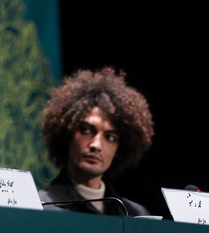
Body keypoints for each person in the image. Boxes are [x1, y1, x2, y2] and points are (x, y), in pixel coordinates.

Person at [39, 67, 154, 216]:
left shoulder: (134, 215)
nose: (96, 145)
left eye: (110, 137)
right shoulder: (40, 208)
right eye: (86, 130)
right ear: (67, 134)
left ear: (119, 149)